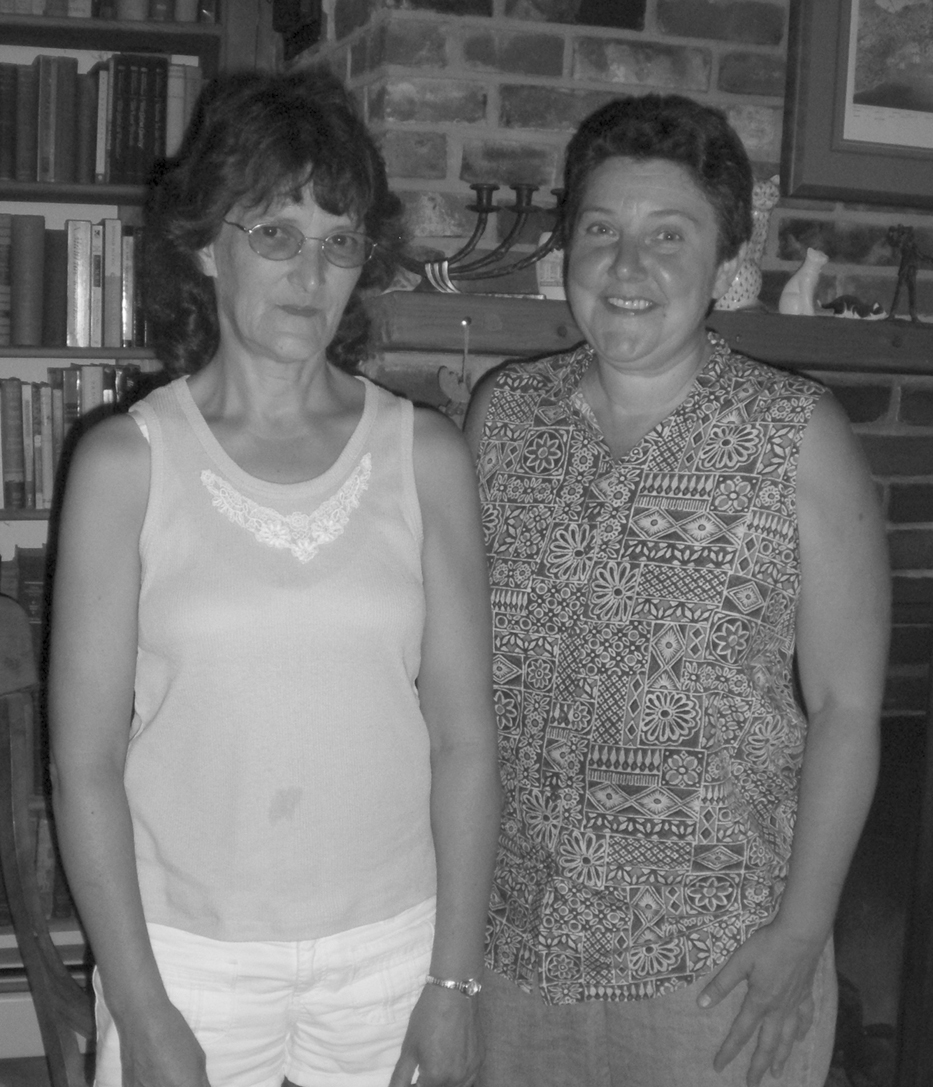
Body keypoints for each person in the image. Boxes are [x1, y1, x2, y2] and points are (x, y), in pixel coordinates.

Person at [48, 67, 501, 1087]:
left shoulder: (424, 453)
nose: (311, 272)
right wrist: (140, 1004)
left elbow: (466, 739)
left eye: (340, 242)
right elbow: (83, 764)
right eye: (277, 234)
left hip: (392, 949)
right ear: (207, 245)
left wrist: (454, 979)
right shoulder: (126, 463)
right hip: (188, 958)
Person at [464, 93, 889, 1087]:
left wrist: (801, 932)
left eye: (668, 235)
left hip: (720, 962)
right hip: (515, 944)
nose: (627, 265)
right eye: (600, 230)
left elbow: (847, 707)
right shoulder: (503, 416)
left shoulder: (797, 434)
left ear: (727, 265)